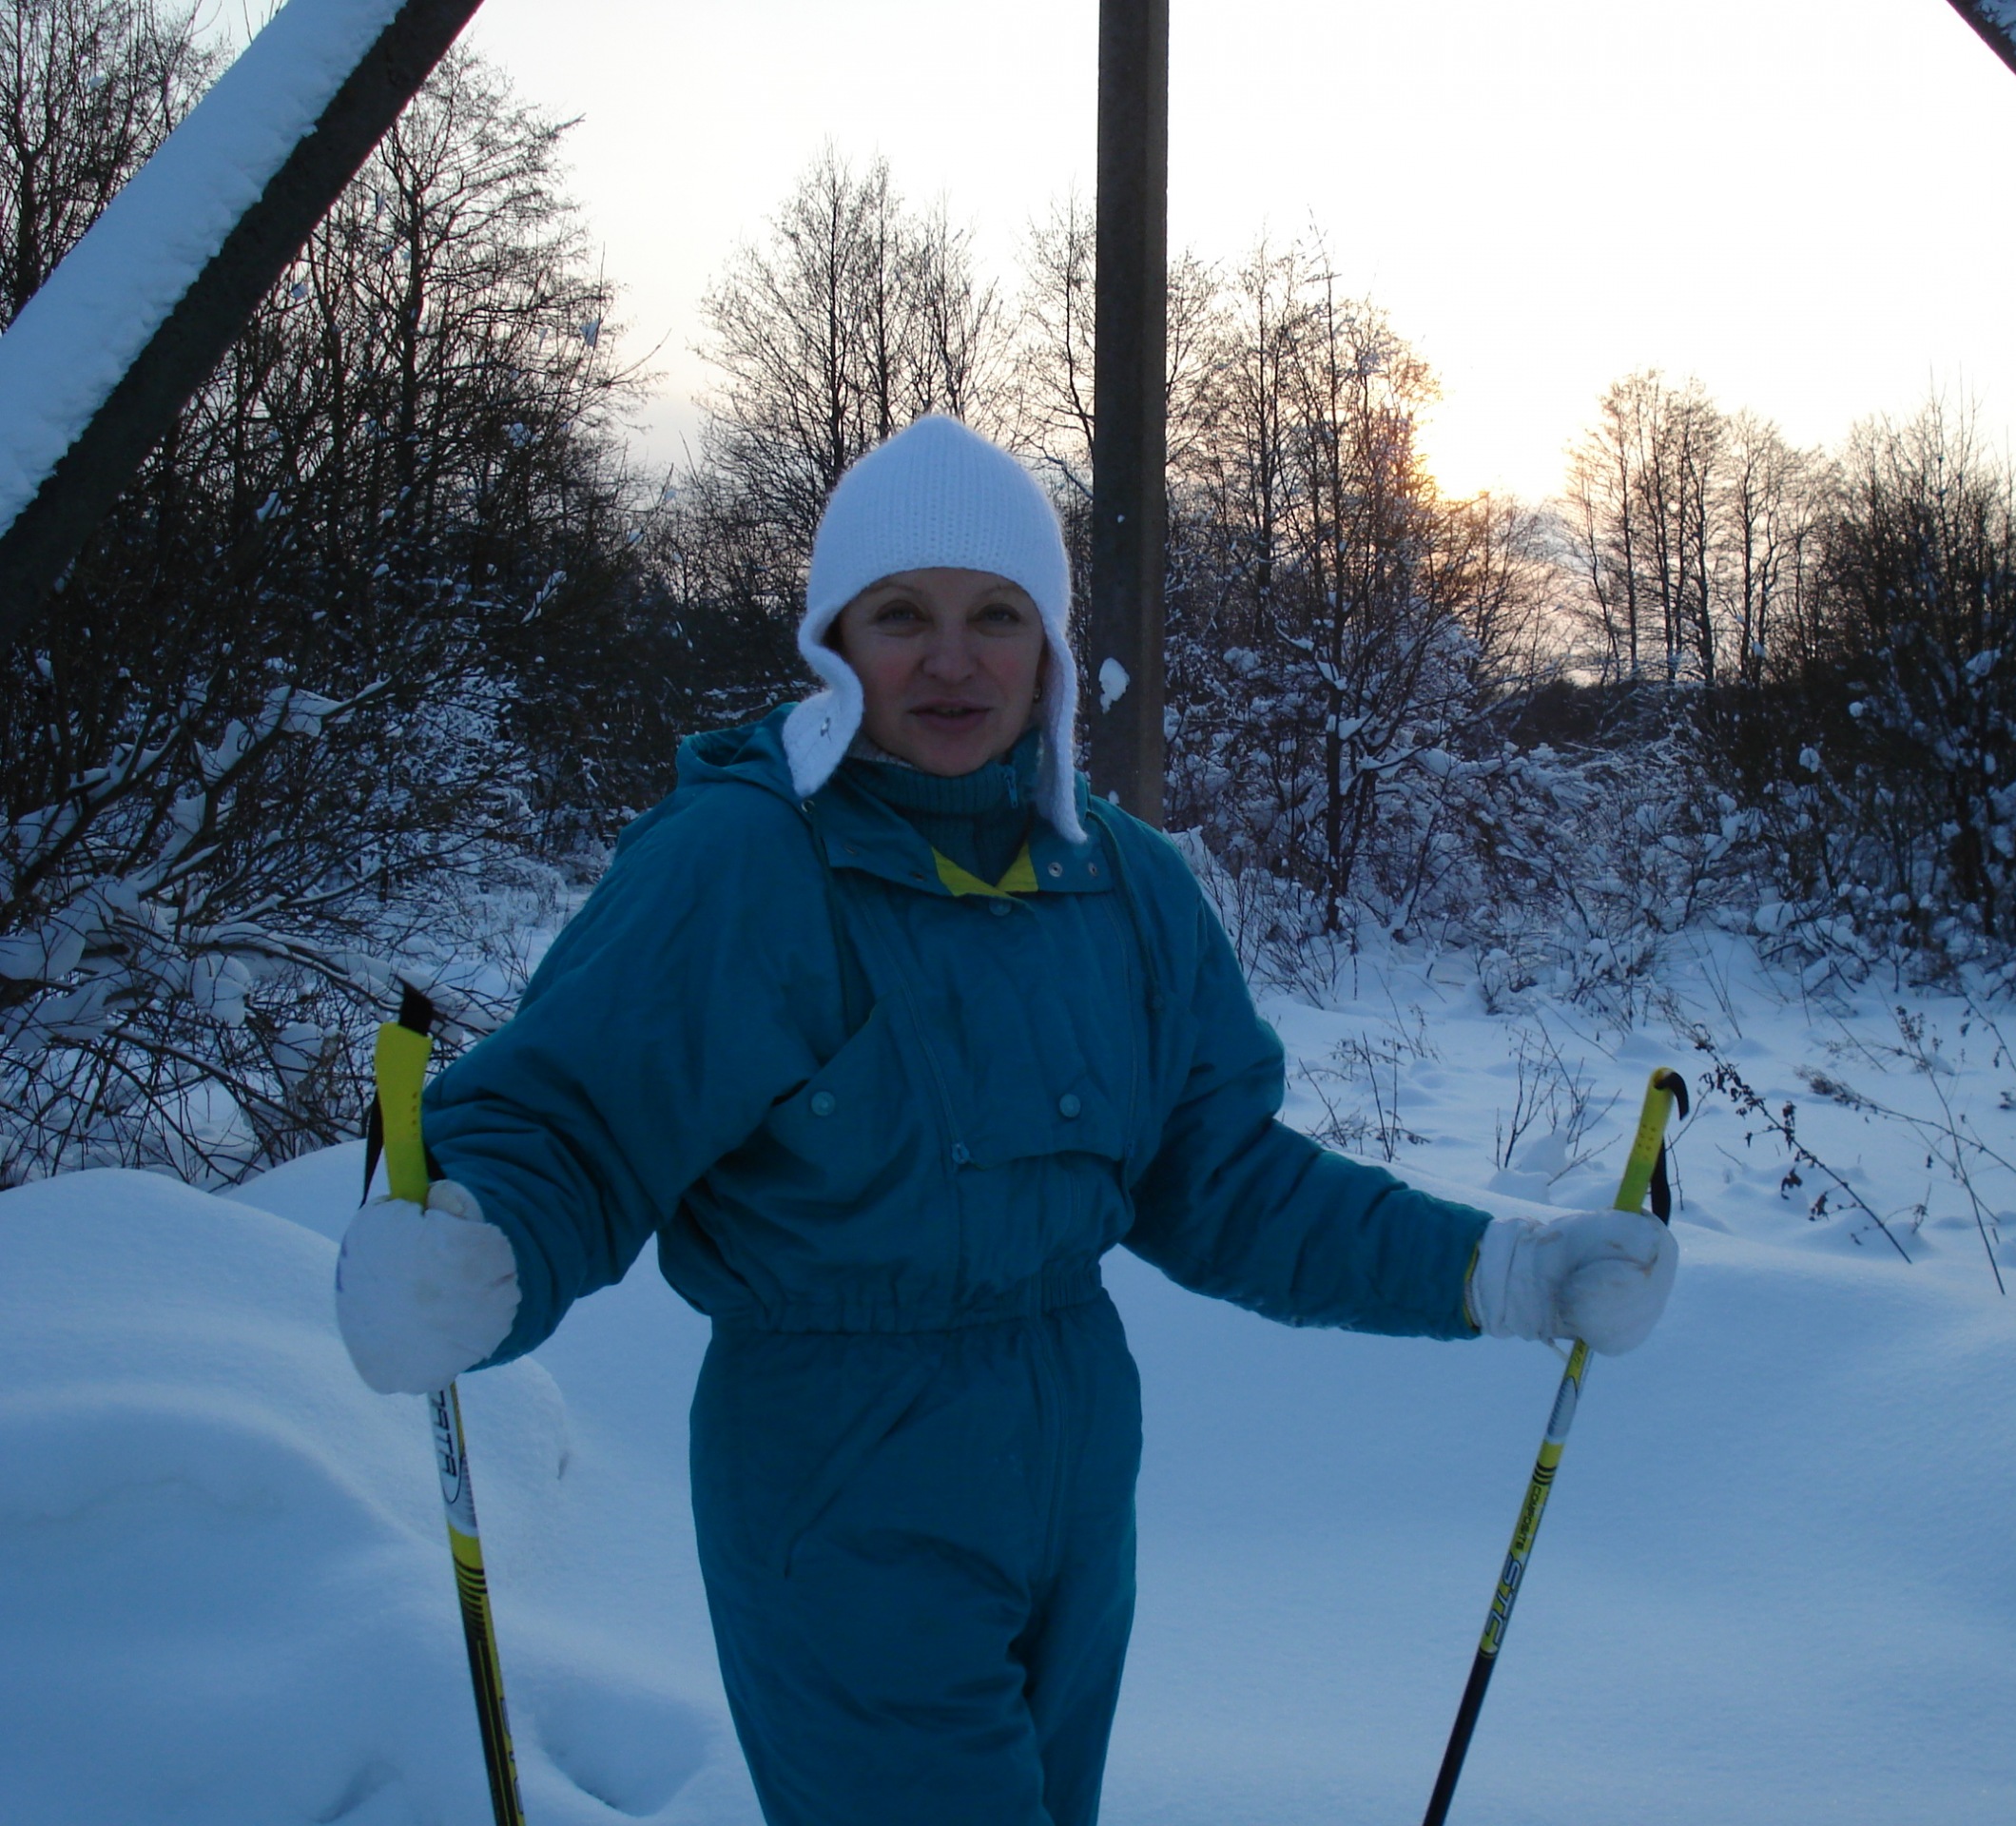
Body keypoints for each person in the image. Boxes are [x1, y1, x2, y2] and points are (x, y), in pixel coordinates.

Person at [333, 416, 1677, 1826]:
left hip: (1072, 1466)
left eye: (996, 615)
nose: (952, 661)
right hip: (838, 1474)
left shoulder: (1126, 885)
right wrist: (480, 1239)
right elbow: (576, 1118)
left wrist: (1501, 1271)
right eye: (901, 615)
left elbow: (1222, 1179)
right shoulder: (744, 864)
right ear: (833, 642)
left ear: (1048, 649)